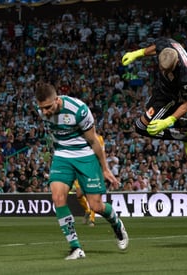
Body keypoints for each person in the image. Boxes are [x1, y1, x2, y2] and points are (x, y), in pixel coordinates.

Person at [34, 82, 128, 260]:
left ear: (57, 99)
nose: (44, 112)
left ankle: (116, 224)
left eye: (47, 107)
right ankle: (75, 248)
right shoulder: (42, 112)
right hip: (62, 156)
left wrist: (105, 168)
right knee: (58, 197)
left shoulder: (78, 110)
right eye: (41, 108)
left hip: (85, 157)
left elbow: (93, 141)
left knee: (96, 206)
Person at [122, 37, 187, 155]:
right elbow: (156, 47)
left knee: (141, 127)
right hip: (160, 89)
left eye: (167, 70)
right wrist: (138, 53)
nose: (164, 72)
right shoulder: (167, 45)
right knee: (153, 117)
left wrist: (168, 121)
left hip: (169, 97)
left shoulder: (185, 76)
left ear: (176, 63)